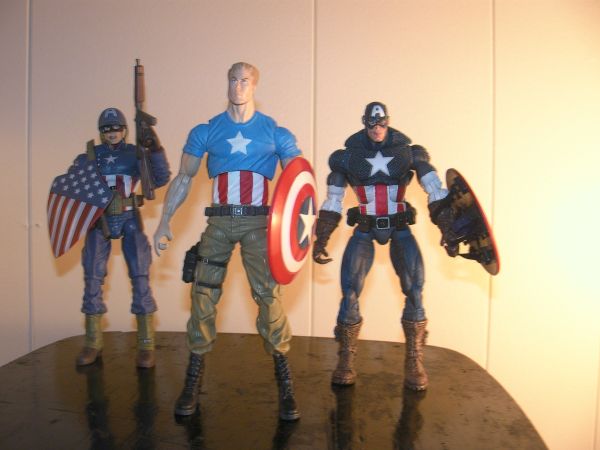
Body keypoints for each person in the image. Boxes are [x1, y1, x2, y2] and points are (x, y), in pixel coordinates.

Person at [153, 62, 302, 421]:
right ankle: (194, 377)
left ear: (255, 86)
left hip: (258, 224)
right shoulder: (207, 131)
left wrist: (300, 232)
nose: (238, 87)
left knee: (269, 297)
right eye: (233, 80)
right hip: (218, 222)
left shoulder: (274, 132)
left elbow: (300, 184)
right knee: (202, 295)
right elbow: (184, 177)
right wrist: (164, 220)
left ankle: (284, 381)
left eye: (244, 81)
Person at [313, 102, 455, 391]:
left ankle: (414, 359)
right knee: (350, 291)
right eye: (372, 124)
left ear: (388, 122)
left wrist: (448, 228)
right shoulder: (346, 158)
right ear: (364, 123)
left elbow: (434, 188)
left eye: (381, 123)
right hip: (364, 227)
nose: (377, 129)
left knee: (415, 289)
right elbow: (333, 199)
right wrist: (322, 237)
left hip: (399, 226)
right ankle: (346, 358)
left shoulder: (409, 153)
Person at [74, 108, 170, 368]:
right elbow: (75, 187)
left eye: (116, 128)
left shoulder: (135, 153)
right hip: (100, 220)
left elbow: (160, 177)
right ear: (100, 132)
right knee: (92, 278)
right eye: (106, 129)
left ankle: (146, 344)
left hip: (129, 218)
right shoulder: (90, 156)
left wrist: (154, 148)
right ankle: (93, 341)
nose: (112, 133)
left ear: (125, 130)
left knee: (140, 277)